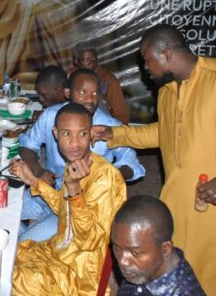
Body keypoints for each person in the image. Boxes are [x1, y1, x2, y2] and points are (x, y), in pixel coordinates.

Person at [91, 24, 216, 296]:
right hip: (180, 204)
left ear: (166, 54)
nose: (145, 69)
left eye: (148, 61)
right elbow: (164, 132)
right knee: (180, 279)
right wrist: (116, 134)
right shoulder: (167, 91)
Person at [9, 103, 126, 296]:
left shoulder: (105, 177)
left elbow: (89, 240)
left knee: (1, 280)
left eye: (82, 134)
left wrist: (74, 189)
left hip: (79, 276)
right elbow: (66, 213)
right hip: (58, 251)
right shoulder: (75, 164)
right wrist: (34, 181)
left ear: (91, 134)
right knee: (2, 257)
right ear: (55, 134)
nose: (75, 143)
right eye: (66, 134)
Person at [17, 68, 144, 242]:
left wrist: (102, 176)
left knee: (23, 243)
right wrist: (38, 171)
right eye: (83, 92)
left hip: (78, 207)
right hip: (47, 193)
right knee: (0, 210)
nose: (90, 99)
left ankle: (52, 242)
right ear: (67, 93)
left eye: (95, 93)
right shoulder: (51, 116)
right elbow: (27, 144)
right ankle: (48, 242)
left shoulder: (108, 126)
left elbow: (134, 165)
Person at [103, 195, 215, 296]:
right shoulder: (142, 268)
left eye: (135, 253)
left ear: (165, 249)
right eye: (117, 247)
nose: (122, 261)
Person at [72, 41, 129, 124]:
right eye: (86, 60)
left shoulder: (108, 80)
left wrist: (113, 129)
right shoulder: (71, 77)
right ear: (76, 61)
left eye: (94, 59)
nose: (91, 63)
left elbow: (121, 115)